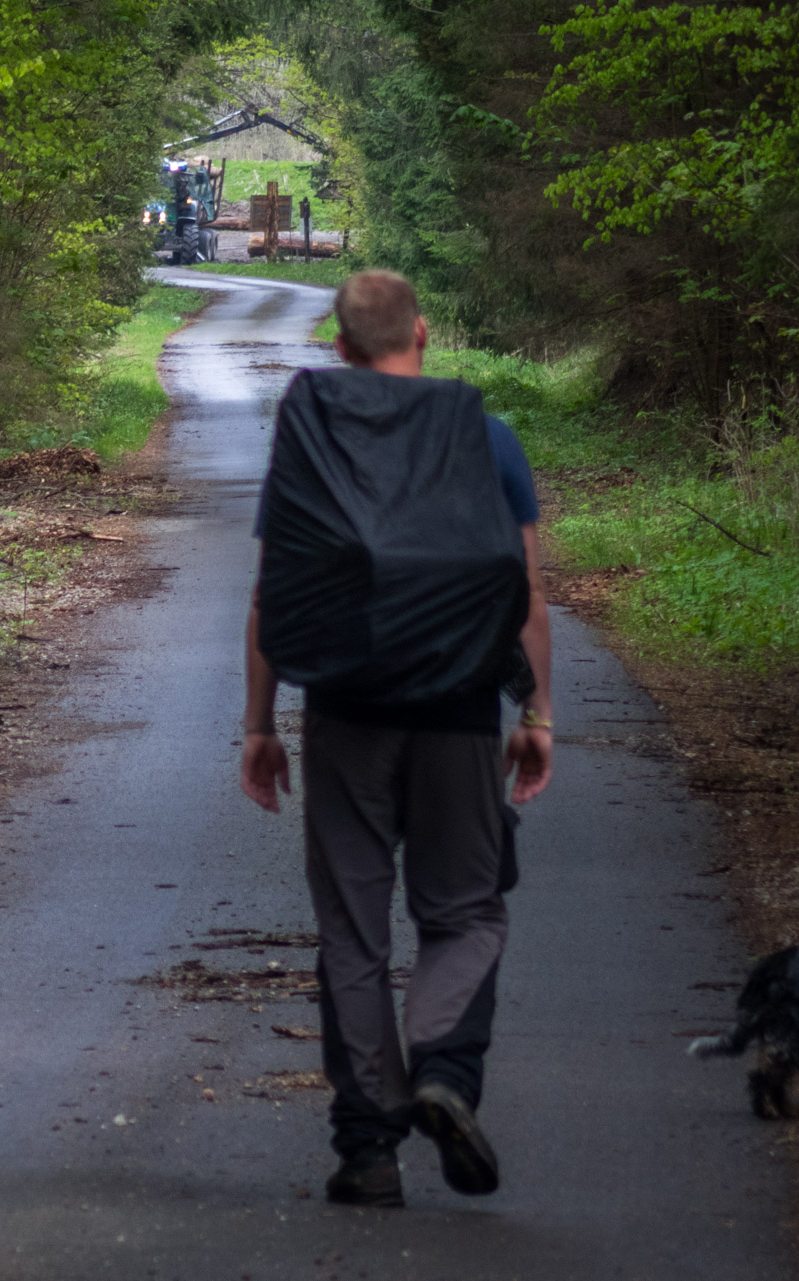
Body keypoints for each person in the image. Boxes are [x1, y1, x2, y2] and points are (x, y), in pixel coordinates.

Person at [239, 270, 554, 1208]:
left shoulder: (315, 442)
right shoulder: (487, 439)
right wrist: (535, 715)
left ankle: (368, 1149)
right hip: (460, 711)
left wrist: (260, 723)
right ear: (423, 332)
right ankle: (447, 1073)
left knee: (354, 927)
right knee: (466, 911)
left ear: (339, 348)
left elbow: (271, 596)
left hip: (347, 710)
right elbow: (526, 596)